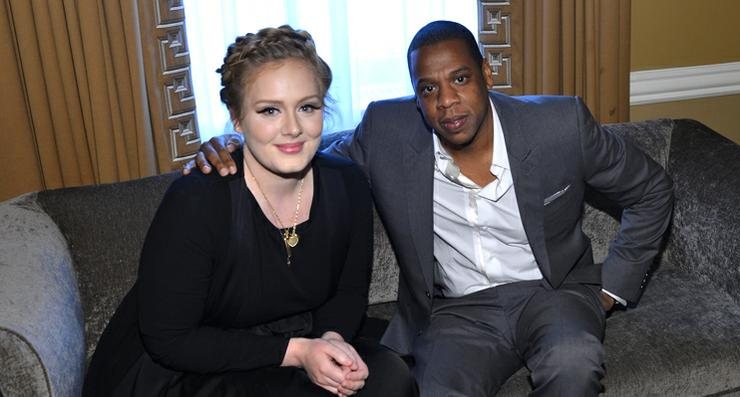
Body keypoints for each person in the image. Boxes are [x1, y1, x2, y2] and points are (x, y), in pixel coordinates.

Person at [186, 21, 674, 396]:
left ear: (486, 73)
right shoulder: (386, 131)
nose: (447, 101)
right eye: (428, 88)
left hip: (554, 293)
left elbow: (651, 189)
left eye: (460, 78)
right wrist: (240, 143)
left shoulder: (558, 125)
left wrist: (612, 290)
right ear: (415, 97)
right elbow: (310, 162)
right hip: (457, 312)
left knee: (574, 364)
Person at [84, 25, 417, 397]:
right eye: (269, 110)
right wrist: (297, 352)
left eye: (307, 107)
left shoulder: (348, 184)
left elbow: (349, 293)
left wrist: (330, 342)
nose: (292, 128)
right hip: (190, 365)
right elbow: (170, 339)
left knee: (390, 379)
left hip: (296, 339)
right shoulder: (197, 200)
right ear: (238, 118)